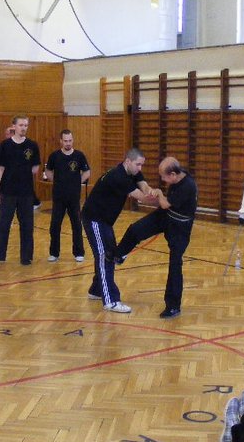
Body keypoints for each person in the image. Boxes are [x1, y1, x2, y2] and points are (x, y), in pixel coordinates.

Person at [114, 157, 197, 319]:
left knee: (175, 264)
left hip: (180, 226)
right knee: (135, 229)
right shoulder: (179, 175)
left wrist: (158, 192)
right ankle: (120, 254)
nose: (163, 180)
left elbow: (165, 203)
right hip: (166, 215)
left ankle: (173, 306)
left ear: (173, 175)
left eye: (164, 177)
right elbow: (165, 206)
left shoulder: (188, 186)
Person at [81, 148, 157, 313]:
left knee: (109, 253)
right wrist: (165, 201)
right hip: (94, 219)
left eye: (142, 165)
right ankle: (111, 301)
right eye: (138, 164)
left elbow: (143, 185)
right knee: (105, 256)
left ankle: (96, 290)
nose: (140, 168)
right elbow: (142, 198)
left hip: (105, 221)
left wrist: (150, 190)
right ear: (128, 161)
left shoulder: (130, 171)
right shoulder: (119, 177)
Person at [0, 115, 41, 266]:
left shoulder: (32, 145)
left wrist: (23, 172)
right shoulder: (5, 145)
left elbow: (35, 168)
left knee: (27, 225)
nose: (24, 128)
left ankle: (26, 257)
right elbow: (1, 169)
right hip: (7, 191)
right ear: (14, 126)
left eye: (26, 125)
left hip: (26, 192)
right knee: (2, 224)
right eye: (21, 125)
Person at [45, 129, 91, 263]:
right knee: (55, 225)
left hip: (74, 197)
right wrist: (57, 181)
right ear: (61, 141)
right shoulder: (54, 156)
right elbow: (48, 171)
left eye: (70, 140)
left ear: (73, 140)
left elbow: (87, 172)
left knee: (76, 225)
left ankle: (79, 252)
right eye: (65, 141)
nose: (68, 143)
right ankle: (54, 253)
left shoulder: (79, 156)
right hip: (58, 197)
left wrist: (77, 182)